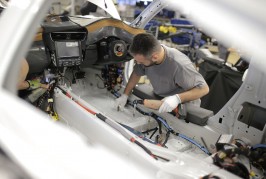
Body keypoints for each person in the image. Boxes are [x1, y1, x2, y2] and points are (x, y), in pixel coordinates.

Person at [115, 33, 209, 113]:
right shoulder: (147, 56)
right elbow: (136, 73)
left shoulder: (179, 64)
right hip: (161, 98)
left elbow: (204, 89)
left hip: (184, 105)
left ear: (155, 57)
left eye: (141, 62)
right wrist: (125, 95)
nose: (139, 64)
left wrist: (177, 98)